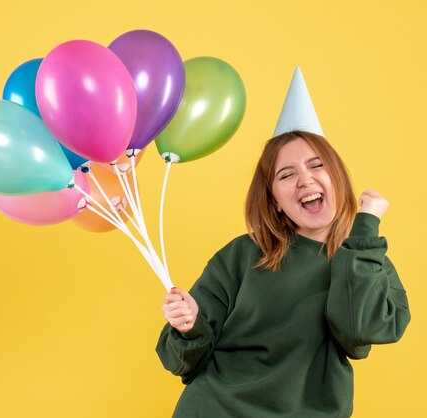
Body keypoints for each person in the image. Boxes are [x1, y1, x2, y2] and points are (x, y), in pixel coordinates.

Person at [156, 130, 411, 418]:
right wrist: (189, 325)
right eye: (286, 175)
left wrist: (365, 227)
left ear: (337, 178)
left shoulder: (366, 258)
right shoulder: (243, 254)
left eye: (316, 165)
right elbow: (184, 362)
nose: (305, 180)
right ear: (275, 200)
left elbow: (359, 331)